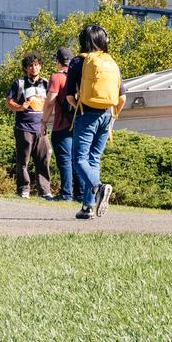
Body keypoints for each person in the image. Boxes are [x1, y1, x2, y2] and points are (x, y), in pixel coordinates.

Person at [61, 23, 125, 220]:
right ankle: (87, 207)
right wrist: (113, 115)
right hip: (107, 114)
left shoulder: (78, 62)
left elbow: (69, 95)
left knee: (79, 159)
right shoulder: (111, 62)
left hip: (86, 114)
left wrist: (77, 107)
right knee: (94, 158)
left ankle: (98, 188)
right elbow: (122, 97)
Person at [3, 57, 53, 199]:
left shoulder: (46, 83)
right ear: (25, 68)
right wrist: (20, 107)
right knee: (23, 160)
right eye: (30, 66)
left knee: (44, 159)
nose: (34, 68)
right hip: (23, 127)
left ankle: (45, 191)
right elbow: (8, 102)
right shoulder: (19, 83)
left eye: (36, 65)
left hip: (41, 128)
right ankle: (24, 189)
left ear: (40, 67)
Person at [45, 45, 77, 203]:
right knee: (77, 160)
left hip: (62, 126)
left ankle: (66, 194)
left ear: (58, 61)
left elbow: (50, 102)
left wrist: (43, 122)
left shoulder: (57, 77)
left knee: (64, 160)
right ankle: (81, 194)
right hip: (79, 125)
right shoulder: (78, 75)